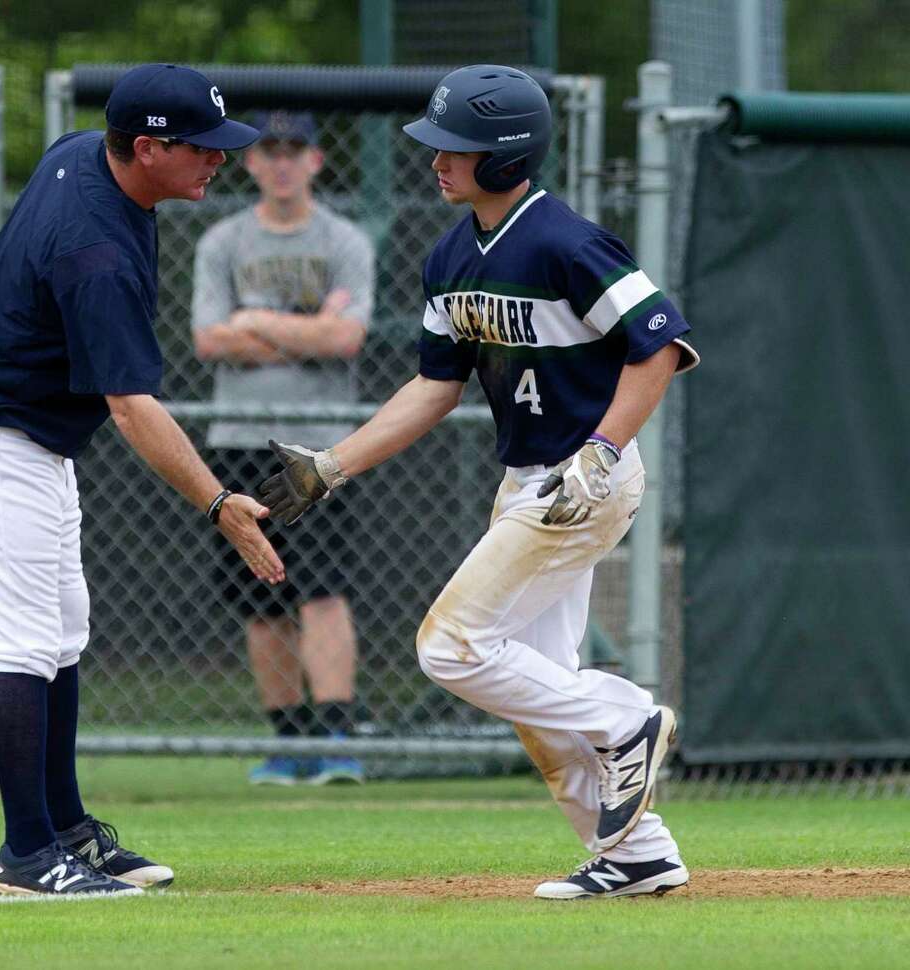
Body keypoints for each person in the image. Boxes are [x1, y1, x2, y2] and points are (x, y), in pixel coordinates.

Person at [261, 65, 699, 900]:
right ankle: (639, 854)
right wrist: (332, 464)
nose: (435, 161)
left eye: (452, 148)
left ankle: (627, 721)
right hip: (525, 481)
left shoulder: (567, 241)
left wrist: (601, 450)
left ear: (504, 157)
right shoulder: (451, 255)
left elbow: (661, 346)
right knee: (538, 691)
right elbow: (435, 387)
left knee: (450, 647)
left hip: (583, 475)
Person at [0, 63, 283, 897]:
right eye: (202, 149)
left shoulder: (86, 148)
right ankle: (26, 854)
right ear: (148, 147)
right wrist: (221, 503)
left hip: (30, 433)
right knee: (19, 641)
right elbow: (132, 410)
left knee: (63, 632)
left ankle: (65, 830)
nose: (218, 163)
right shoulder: (96, 253)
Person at [191, 111, 375, 786]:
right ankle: (289, 741)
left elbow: (346, 340)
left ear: (316, 161)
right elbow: (209, 339)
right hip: (238, 439)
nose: (282, 163)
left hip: (319, 447)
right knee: (260, 596)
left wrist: (256, 323)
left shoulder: (346, 240)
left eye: (294, 150)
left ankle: (337, 739)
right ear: (251, 162)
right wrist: (308, 327)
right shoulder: (222, 241)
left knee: (322, 591)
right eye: (269, 152)